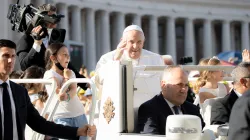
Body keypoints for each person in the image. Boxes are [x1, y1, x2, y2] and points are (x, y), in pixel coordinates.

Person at [0, 39, 96, 140]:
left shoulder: (19, 92)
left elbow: (40, 124)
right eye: (5, 56)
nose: (10, 60)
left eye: (13, 56)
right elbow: (60, 94)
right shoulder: (49, 75)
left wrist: (77, 131)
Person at [16, 4, 87, 90]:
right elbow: (24, 65)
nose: (53, 25)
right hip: (36, 88)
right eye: (49, 20)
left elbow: (65, 65)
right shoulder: (26, 39)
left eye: (55, 21)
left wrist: (85, 84)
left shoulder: (53, 40)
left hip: (55, 87)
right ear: (40, 20)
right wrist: (37, 44)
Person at [94, 25, 164, 98]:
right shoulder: (107, 58)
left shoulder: (156, 59)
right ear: (122, 42)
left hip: (149, 107)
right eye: (131, 42)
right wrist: (115, 60)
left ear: (143, 42)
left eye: (139, 42)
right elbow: (98, 81)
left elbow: (164, 83)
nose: (135, 46)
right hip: (119, 106)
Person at [136, 66, 205, 135]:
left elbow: (203, 134)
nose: (184, 89)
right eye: (179, 84)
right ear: (164, 85)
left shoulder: (192, 109)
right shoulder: (150, 109)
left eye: (186, 85)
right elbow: (150, 137)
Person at [43, 43, 89, 140]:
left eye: (68, 54)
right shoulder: (49, 74)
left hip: (80, 114)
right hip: (62, 118)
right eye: (64, 54)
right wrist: (67, 78)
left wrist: (66, 95)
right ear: (53, 58)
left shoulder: (70, 72)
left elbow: (73, 90)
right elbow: (59, 92)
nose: (68, 57)